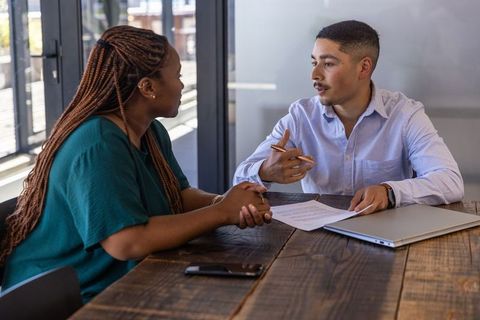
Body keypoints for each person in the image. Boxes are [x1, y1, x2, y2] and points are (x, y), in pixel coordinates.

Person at [0, 25, 271, 302]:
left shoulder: (150, 132)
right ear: (148, 87)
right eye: (177, 75)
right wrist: (222, 213)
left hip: (125, 282)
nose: (182, 84)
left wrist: (226, 202)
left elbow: (178, 194)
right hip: (58, 299)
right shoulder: (98, 143)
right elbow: (126, 242)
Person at [233, 20, 463, 215]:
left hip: (387, 235)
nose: (315, 75)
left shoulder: (405, 115)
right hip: (316, 239)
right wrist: (264, 171)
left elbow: (450, 181)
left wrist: (389, 191)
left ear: (363, 68)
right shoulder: (300, 117)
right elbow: (240, 179)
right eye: (314, 62)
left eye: (328, 64)